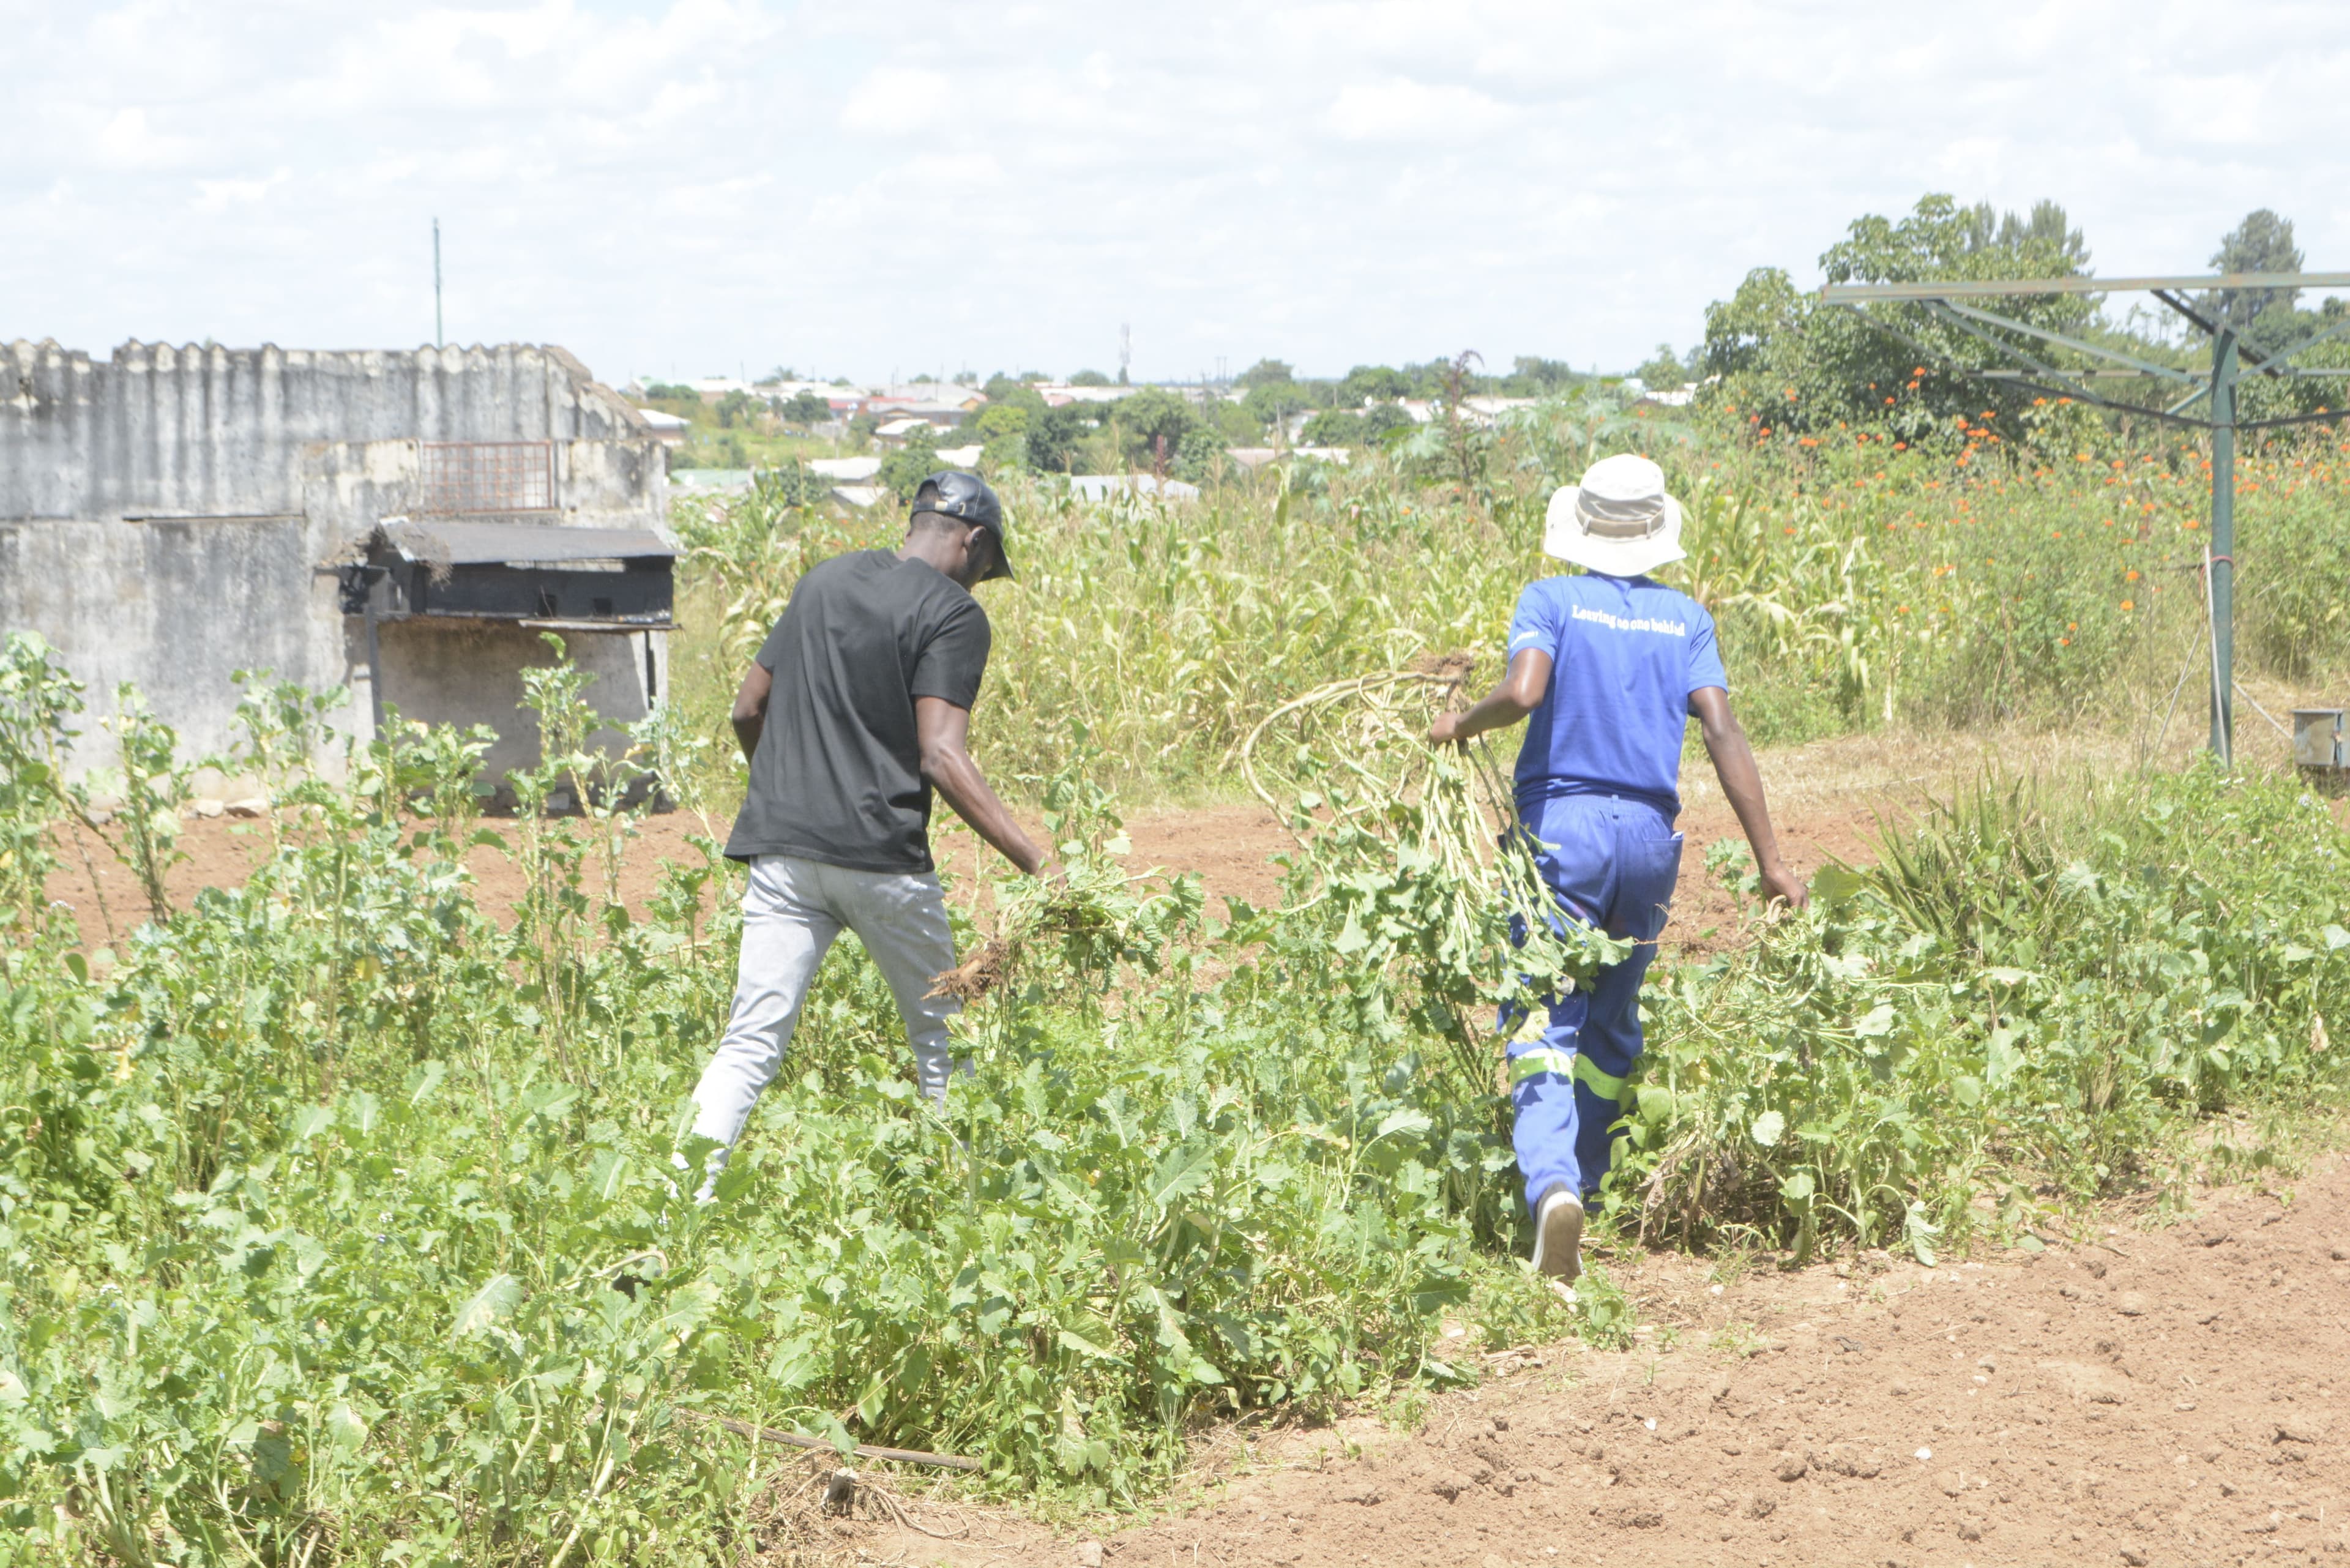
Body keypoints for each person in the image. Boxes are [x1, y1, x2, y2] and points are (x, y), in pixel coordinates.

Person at [1430, 453, 1806, 1282]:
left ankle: (1553, 1186)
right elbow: (1722, 732)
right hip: (1647, 843)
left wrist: (1460, 722)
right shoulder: (1686, 618)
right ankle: (1588, 1194)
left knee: (1540, 1022)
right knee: (1610, 1027)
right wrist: (1771, 861)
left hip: (1563, 832)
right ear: (1655, 532)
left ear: (1582, 527)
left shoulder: (1551, 600)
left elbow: (1525, 692)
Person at [683, 471, 1050, 1185]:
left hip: (781, 853)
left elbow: (745, 710)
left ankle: (673, 1209)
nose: (978, 586)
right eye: (984, 570)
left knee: (749, 1043)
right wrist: (1040, 863)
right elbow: (941, 755)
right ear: (974, 543)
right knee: (946, 1036)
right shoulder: (954, 615)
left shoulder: (823, 582)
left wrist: (790, 791)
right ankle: (967, 1218)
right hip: (881, 859)